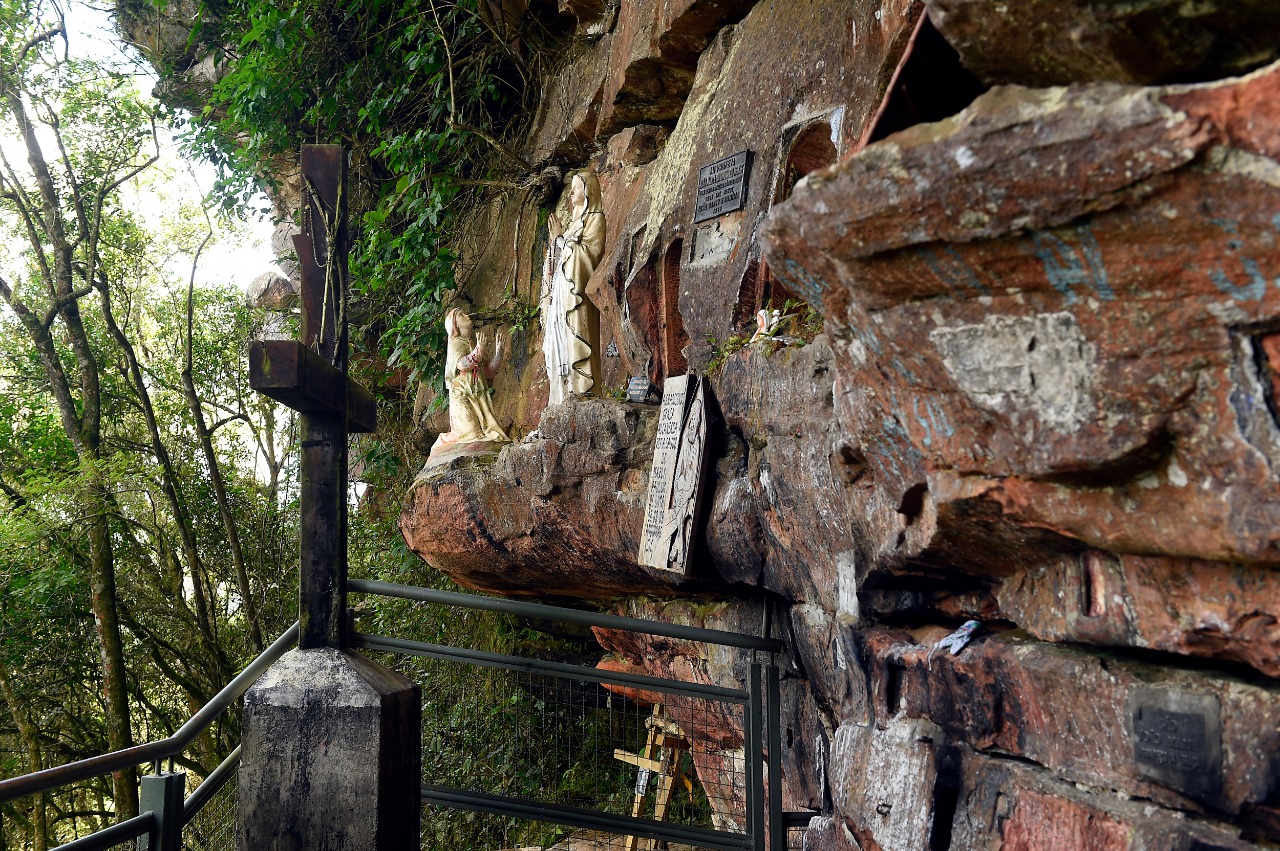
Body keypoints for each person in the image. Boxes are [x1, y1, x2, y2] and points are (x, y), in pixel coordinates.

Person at [541, 171, 606, 406]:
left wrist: (560, 240)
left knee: (576, 337)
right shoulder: (572, 225)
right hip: (562, 294)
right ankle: (561, 397)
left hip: (575, 296)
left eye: (576, 187)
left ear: (588, 191)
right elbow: (559, 258)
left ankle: (581, 391)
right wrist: (555, 244)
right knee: (560, 341)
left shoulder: (595, 219)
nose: (570, 192)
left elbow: (589, 256)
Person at [429, 308, 510, 456]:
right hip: (462, 395)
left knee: (486, 434)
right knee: (471, 436)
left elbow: (487, 372)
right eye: (461, 315)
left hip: (478, 395)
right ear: (455, 325)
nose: (466, 315)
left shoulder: (471, 342)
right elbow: (461, 365)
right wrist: (478, 351)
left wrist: (499, 353)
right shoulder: (455, 343)